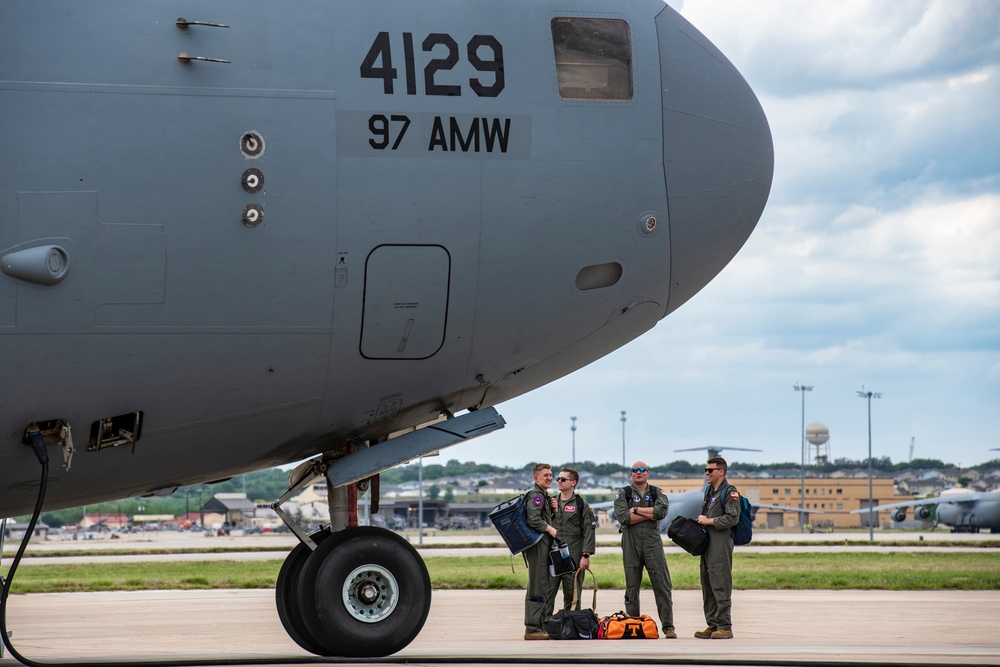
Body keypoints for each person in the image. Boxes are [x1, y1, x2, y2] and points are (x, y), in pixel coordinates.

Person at [613, 461, 676, 638]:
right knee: (632, 586)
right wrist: (648, 514)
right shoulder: (623, 493)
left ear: (648, 473)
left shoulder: (657, 492)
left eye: (642, 470)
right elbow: (624, 517)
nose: (638, 473)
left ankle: (668, 627)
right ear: (631, 474)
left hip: (652, 543)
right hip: (630, 542)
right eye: (635, 470)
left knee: (662, 585)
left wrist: (636, 510)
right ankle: (633, 624)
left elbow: (661, 512)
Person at [695, 456, 741, 639]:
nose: (707, 473)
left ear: (721, 471)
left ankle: (725, 626)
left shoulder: (729, 492)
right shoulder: (710, 492)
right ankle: (712, 624)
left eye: (710, 470)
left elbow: (732, 517)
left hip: (720, 545)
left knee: (720, 583)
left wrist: (710, 521)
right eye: (706, 470)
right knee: (707, 583)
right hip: (707, 544)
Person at [546, 467, 596, 612]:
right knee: (548, 592)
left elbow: (589, 530)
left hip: (573, 555)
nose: (559, 482)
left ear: (573, 482)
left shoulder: (582, 505)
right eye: (558, 479)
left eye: (563, 479)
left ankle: (570, 626)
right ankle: (546, 626)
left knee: (572, 594)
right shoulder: (551, 502)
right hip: (552, 554)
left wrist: (586, 555)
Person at [523, 462, 558, 640]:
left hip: (543, 544)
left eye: (551, 475)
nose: (550, 478)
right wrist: (550, 529)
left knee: (543, 584)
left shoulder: (543, 496)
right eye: (546, 475)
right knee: (537, 585)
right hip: (537, 546)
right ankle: (532, 628)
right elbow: (533, 520)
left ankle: (540, 625)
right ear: (536, 478)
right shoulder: (536, 496)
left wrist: (552, 512)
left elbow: (541, 518)